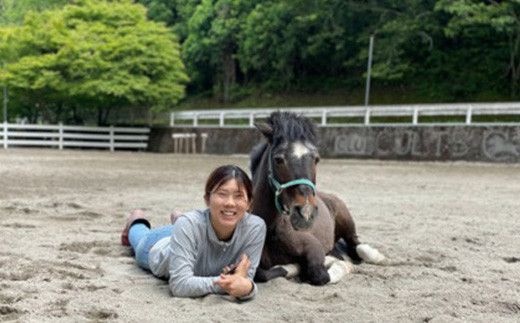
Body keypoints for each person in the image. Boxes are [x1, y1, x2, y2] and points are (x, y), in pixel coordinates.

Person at [121, 165, 266, 300]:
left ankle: (178, 219)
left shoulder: (255, 228)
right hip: (159, 246)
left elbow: (246, 280)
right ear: (207, 200)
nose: (230, 203)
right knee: (140, 241)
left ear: (249, 203)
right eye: (222, 194)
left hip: (188, 233)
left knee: (186, 225)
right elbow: (180, 285)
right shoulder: (188, 225)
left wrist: (247, 287)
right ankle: (136, 218)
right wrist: (231, 284)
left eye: (238, 196)